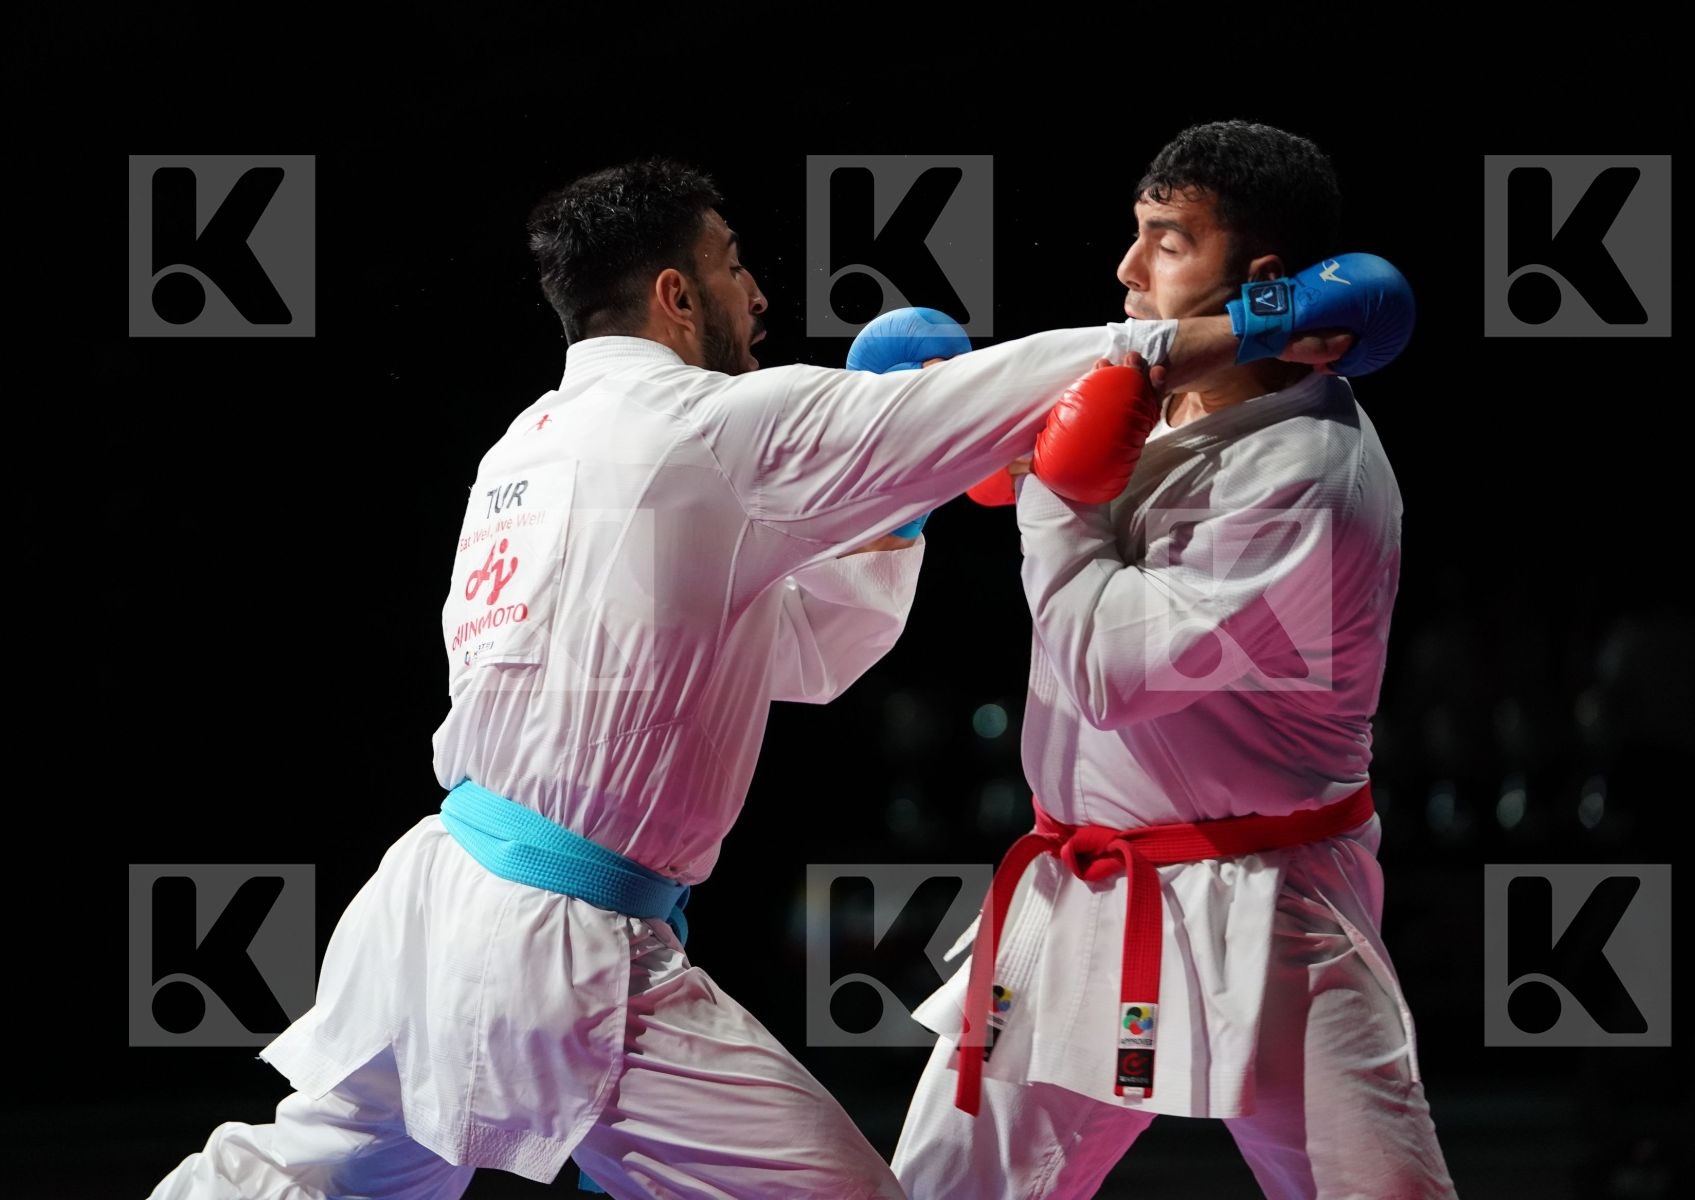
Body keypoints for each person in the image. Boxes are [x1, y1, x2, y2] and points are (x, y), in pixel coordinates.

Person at [146, 156, 1376, 1200]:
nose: (762, 291)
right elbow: (1002, 395)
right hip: (563, 947)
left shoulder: (522, 450)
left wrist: (894, 519)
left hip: (431, 904)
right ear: (678, 293)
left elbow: (800, 652)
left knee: (291, 1173)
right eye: (735, 264)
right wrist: (1240, 331)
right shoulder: (708, 427)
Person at [890, 121, 1457, 1199]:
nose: (1127, 269)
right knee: (939, 1192)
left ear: (1262, 283)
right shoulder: (1147, 391)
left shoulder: (1309, 472)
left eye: (1165, 241)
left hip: (1269, 903)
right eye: (1134, 234)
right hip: (1084, 890)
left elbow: (1107, 670)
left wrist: (1056, 487)